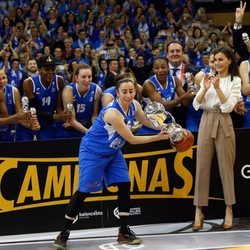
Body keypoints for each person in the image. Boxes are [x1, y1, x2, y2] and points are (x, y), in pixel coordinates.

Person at [53, 72, 170, 249]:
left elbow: (146, 121)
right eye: (125, 92)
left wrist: (166, 127)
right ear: (117, 93)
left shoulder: (135, 104)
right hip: (93, 151)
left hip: (113, 152)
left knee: (124, 183)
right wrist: (159, 137)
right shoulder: (113, 113)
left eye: (131, 91)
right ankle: (63, 233)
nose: (129, 95)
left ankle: (123, 231)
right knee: (84, 191)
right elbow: (132, 139)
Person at [192, 46, 242, 232]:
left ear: (229, 60)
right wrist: (205, 88)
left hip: (224, 121)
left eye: (221, 59)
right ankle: (198, 210)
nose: (217, 63)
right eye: (214, 60)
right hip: (206, 119)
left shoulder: (235, 80)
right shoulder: (207, 77)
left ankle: (229, 209)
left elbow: (228, 107)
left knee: (226, 167)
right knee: (201, 167)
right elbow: (197, 103)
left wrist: (218, 89)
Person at [15, 55, 67, 141]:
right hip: (28, 120)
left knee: (49, 150)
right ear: (39, 70)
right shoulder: (29, 82)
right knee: (23, 151)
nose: (50, 72)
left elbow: (58, 106)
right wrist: (56, 116)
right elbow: (34, 110)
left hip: (47, 122)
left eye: (53, 69)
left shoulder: (59, 81)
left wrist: (63, 117)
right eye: (46, 69)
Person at [138, 56, 194, 134]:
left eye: (163, 67)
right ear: (153, 70)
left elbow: (185, 103)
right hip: (149, 123)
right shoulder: (149, 84)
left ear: (168, 68)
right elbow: (162, 106)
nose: (160, 70)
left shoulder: (175, 80)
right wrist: (184, 96)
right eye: (157, 68)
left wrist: (189, 90)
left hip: (166, 122)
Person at [60, 64, 102, 138]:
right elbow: (71, 120)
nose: (87, 80)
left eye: (89, 76)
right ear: (76, 78)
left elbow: (94, 115)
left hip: (87, 126)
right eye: (83, 77)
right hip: (71, 128)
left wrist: (95, 129)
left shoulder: (97, 89)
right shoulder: (68, 90)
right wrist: (89, 133)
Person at [166, 40, 197, 128]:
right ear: (167, 54)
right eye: (172, 51)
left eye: (178, 51)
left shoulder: (193, 72)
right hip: (165, 113)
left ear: (183, 53)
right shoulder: (159, 71)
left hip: (185, 113)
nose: (175, 53)